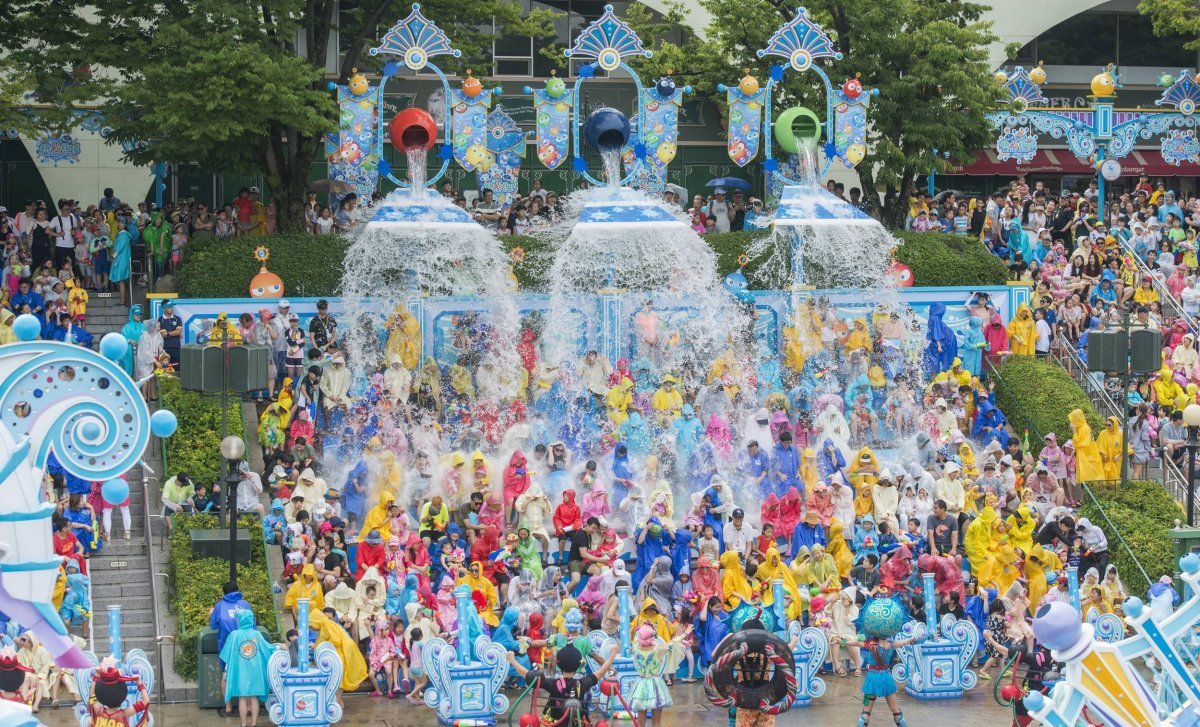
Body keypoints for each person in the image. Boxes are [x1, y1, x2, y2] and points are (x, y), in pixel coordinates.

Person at [506, 642, 620, 727]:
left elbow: (527, 675)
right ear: (579, 665)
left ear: (558, 665)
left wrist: (512, 660)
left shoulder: (553, 683)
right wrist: (613, 654)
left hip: (553, 723)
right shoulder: (582, 683)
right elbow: (602, 671)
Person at [219, 610, 273, 727]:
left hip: (240, 672)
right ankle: (253, 723)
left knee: (242, 698)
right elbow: (267, 649)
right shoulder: (257, 634)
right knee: (254, 697)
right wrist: (279, 647)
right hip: (255, 671)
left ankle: (243, 724)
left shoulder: (234, 635)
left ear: (240, 620)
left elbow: (225, 654)